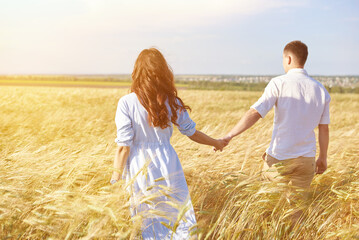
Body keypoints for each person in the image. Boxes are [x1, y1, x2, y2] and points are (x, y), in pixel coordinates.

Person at [110, 48, 226, 239]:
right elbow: (192, 133)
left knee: (146, 218)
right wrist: (216, 142)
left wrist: (115, 179)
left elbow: (123, 146)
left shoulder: (126, 102)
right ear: (164, 71)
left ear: (137, 72)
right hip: (168, 161)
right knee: (177, 215)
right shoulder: (171, 102)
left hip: (140, 166)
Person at [221, 40, 331, 221]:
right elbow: (324, 129)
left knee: (267, 208)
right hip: (307, 160)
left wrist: (230, 135)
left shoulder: (279, 83)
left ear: (288, 59)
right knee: (296, 214)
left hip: (279, 157)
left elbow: (256, 112)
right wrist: (323, 157)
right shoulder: (320, 90)